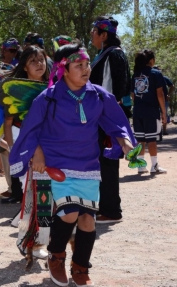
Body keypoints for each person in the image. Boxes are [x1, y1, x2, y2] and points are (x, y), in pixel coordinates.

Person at [9, 43, 136, 287]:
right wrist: (36, 154)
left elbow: (115, 123)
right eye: (79, 65)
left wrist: (126, 143)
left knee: (88, 220)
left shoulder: (98, 95)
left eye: (87, 64)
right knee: (70, 212)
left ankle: (80, 268)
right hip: (57, 164)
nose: (86, 69)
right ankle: (56, 257)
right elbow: (31, 129)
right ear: (63, 68)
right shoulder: (47, 98)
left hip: (88, 164)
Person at [1, 46, 50, 259]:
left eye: (41, 59)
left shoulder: (54, 87)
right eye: (33, 61)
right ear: (24, 66)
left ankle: (32, 239)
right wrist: (14, 149)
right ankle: (31, 242)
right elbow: (8, 121)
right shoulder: (16, 90)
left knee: (44, 196)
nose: (39, 64)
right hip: (26, 144)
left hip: (49, 145)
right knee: (34, 193)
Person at [89, 16, 132, 223]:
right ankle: (106, 206)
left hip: (106, 118)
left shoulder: (111, 55)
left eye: (94, 32)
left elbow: (108, 92)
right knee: (104, 161)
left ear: (103, 35)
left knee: (107, 161)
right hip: (107, 117)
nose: (91, 35)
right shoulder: (109, 54)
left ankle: (111, 210)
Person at [131, 50, 167, 174]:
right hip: (151, 111)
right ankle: (154, 166)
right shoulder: (156, 73)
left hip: (138, 111)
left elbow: (132, 95)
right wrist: (164, 112)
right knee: (152, 139)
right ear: (151, 60)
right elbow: (160, 94)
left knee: (140, 139)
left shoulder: (135, 75)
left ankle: (141, 166)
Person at [153, 65, 174, 135]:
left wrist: (169, 94)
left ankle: (164, 130)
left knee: (164, 114)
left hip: (164, 99)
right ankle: (157, 131)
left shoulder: (164, 78)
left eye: (158, 70)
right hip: (154, 100)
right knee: (156, 115)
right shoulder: (151, 79)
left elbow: (172, 86)